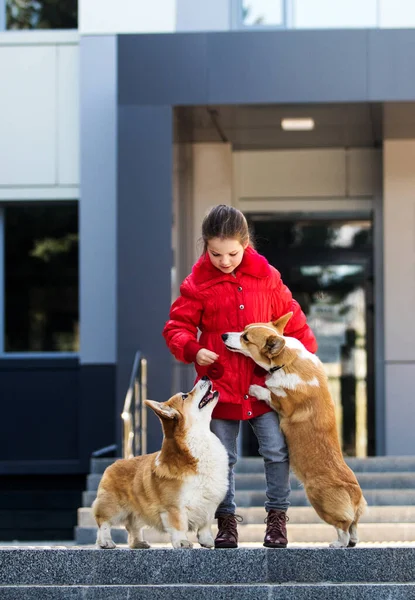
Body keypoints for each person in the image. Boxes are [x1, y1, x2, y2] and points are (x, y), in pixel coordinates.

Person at [163, 205, 317, 549]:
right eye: (216, 253)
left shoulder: (267, 277)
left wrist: (306, 364)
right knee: (222, 458)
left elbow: (293, 322)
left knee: (276, 451)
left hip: (265, 387)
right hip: (219, 389)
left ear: (246, 244)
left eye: (232, 253)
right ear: (205, 246)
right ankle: (226, 522)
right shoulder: (197, 283)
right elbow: (177, 327)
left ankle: (277, 521)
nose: (225, 260)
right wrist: (192, 349)